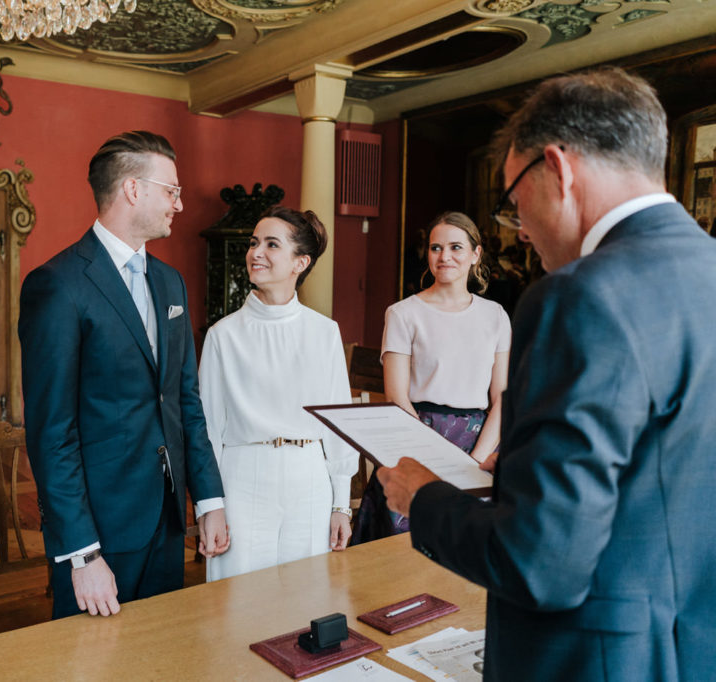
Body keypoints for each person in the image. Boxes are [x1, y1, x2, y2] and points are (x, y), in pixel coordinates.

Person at [377, 67, 716, 681]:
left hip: (591, 661)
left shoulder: (579, 297)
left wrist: (422, 498)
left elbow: (543, 562)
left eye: (512, 203)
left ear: (557, 170)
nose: (521, 230)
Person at [19, 130, 228, 619]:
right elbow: (51, 432)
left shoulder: (169, 281)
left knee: (159, 655)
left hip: (167, 515)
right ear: (133, 189)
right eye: (171, 190)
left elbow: (184, 402)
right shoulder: (58, 285)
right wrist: (82, 551)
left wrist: (209, 499)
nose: (179, 203)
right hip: (100, 525)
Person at [198, 206, 357, 581]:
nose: (256, 252)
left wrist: (341, 504)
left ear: (300, 262)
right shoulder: (223, 335)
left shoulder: (325, 332)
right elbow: (208, 430)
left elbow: (338, 425)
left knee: (306, 605)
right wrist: (210, 508)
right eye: (254, 243)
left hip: (310, 479)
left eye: (271, 244)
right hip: (243, 478)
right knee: (237, 604)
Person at [353, 212, 510, 541]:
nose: (445, 256)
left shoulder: (495, 316)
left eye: (455, 247)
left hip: (476, 442)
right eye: (436, 248)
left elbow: (501, 399)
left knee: (466, 547)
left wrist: (474, 463)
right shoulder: (403, 313)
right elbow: (397, 397)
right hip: (415, 437)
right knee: (402, 550)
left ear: (475, 254)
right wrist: (430, 458)